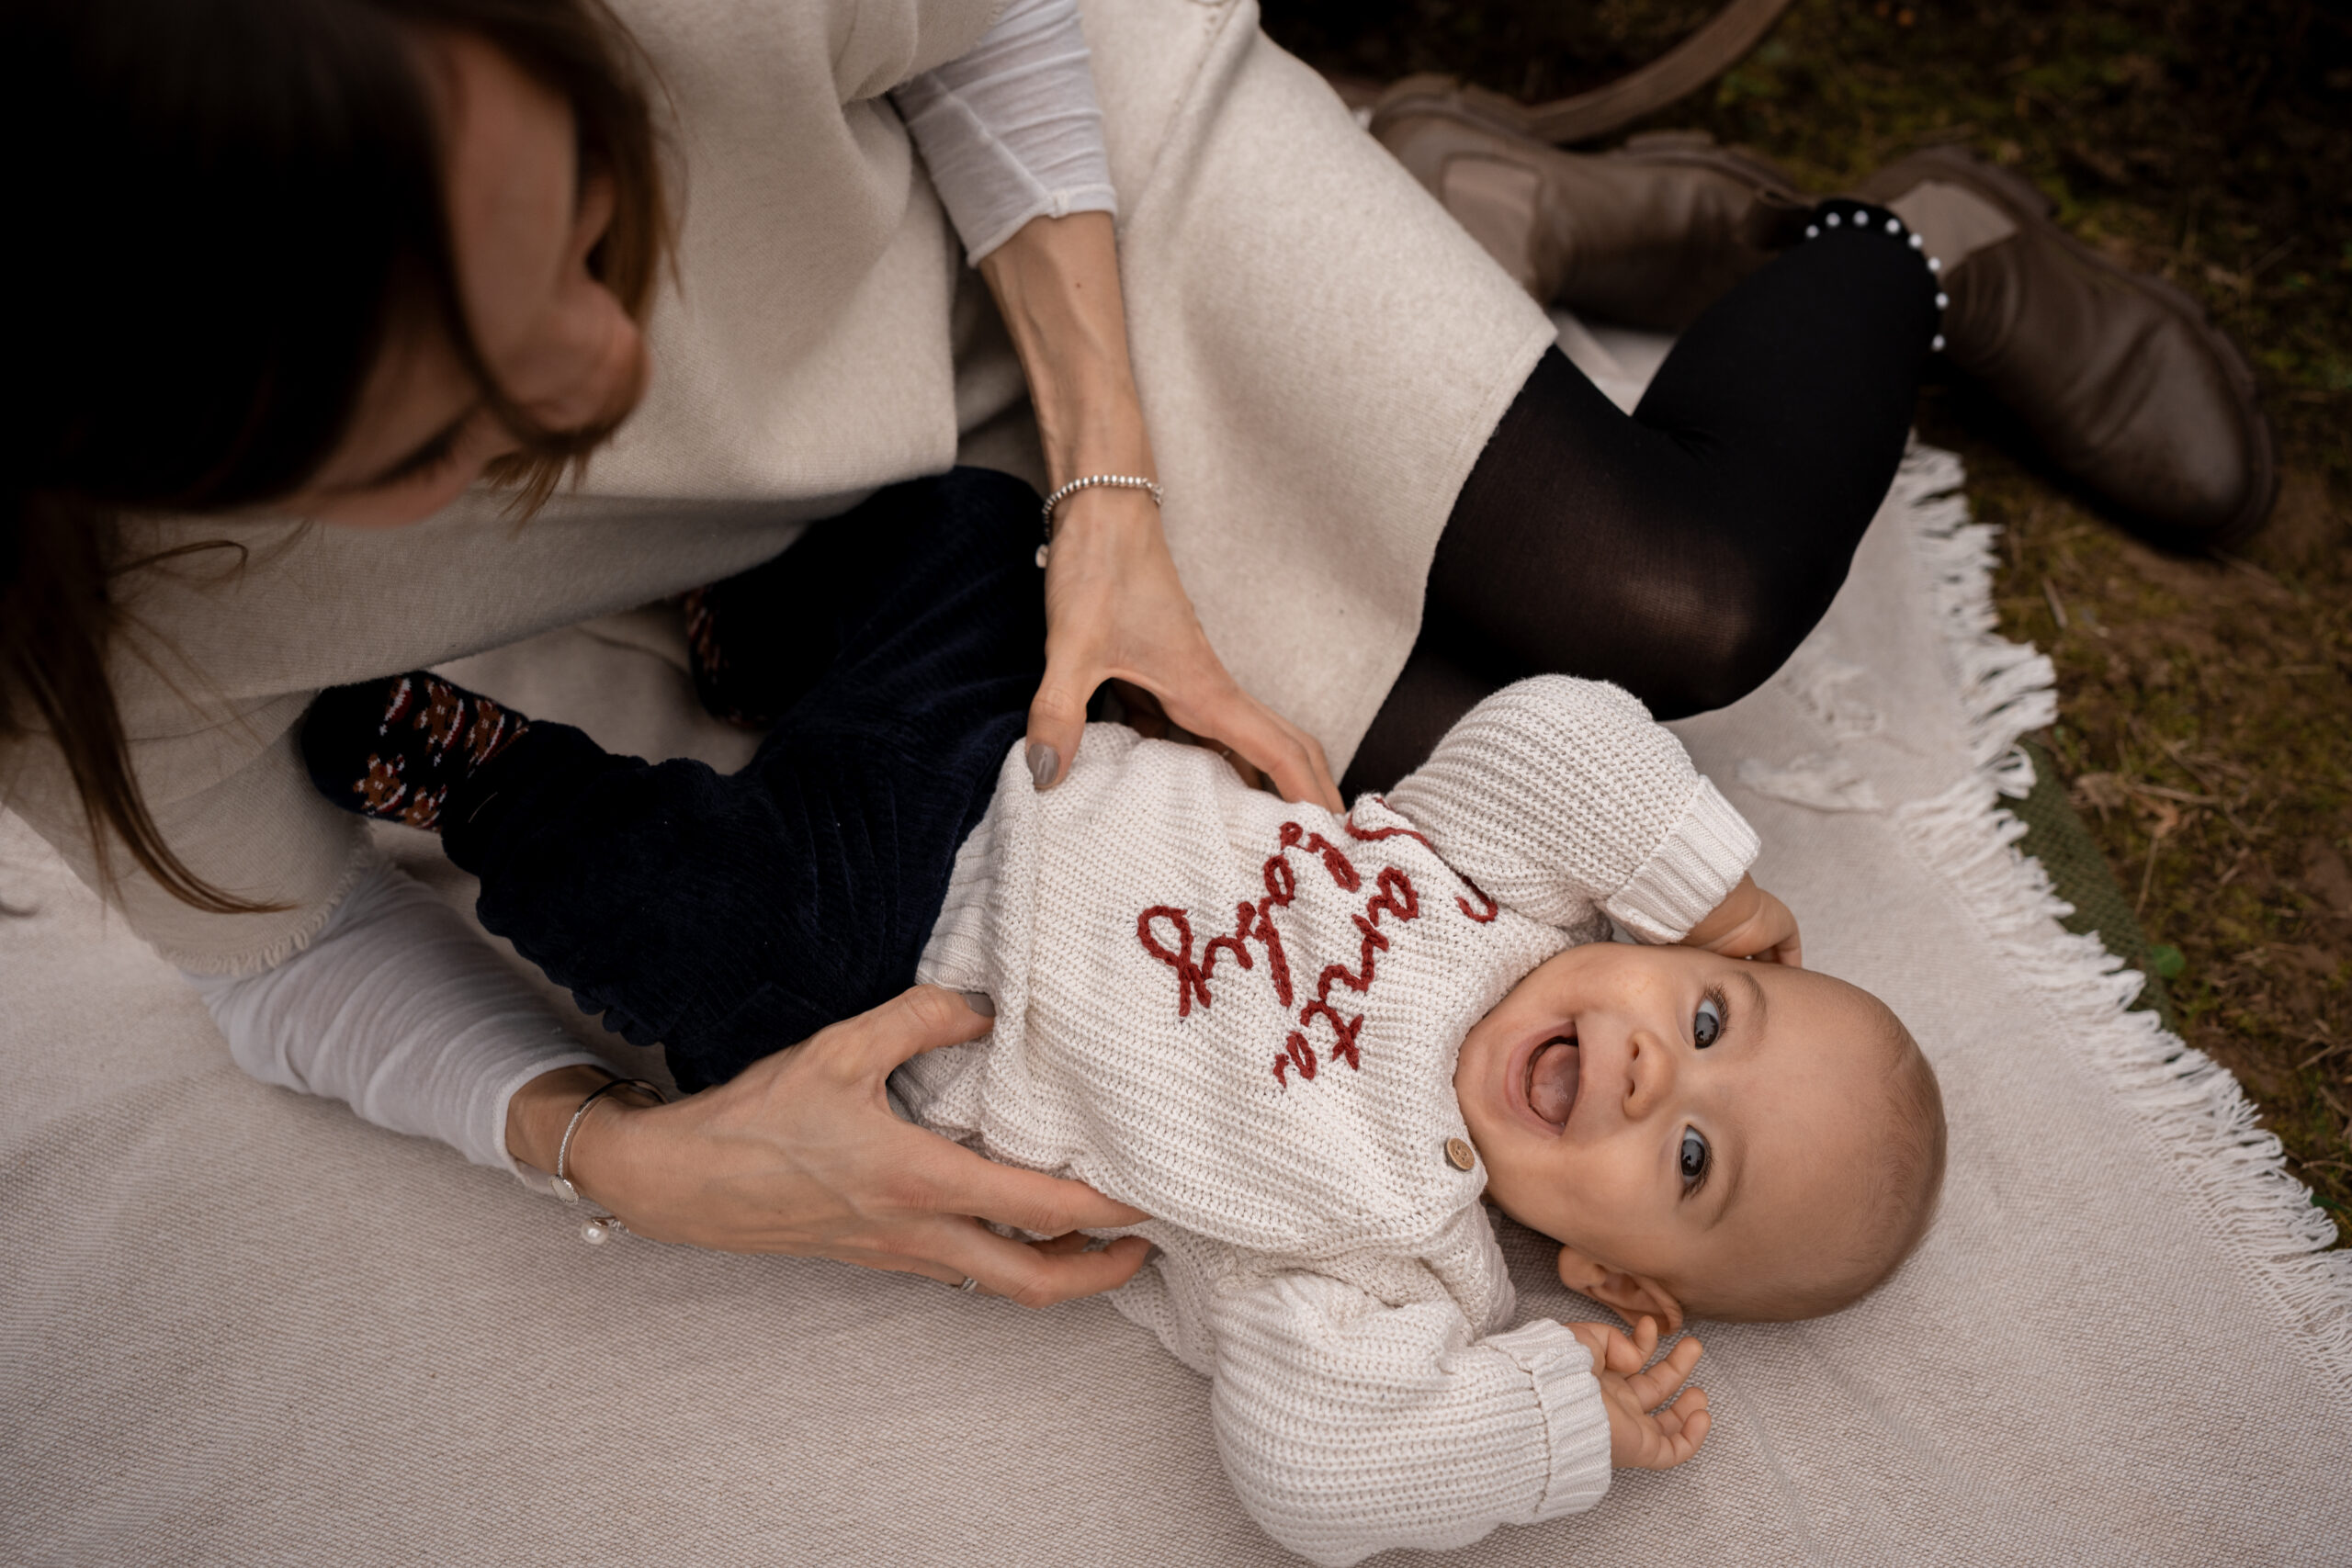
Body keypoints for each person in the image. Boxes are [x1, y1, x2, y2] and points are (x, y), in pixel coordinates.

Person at [0, 0, 2228, 1302]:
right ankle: (1470, 219)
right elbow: (269, 957)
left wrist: (1115, 491)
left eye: (598, 217)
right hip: (931, 652)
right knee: (1542, 695)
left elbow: (988, 27)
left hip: (1037, 254)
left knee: (1674, 606)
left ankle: (1899, 245)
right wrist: (627, 1154)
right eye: (460, 426)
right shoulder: (82, 628)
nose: (618, 363)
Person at [287, 484, 1944, 1562]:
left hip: (877, 983)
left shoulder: (1389, 1257)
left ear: (1609, 1275)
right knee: (981, 537)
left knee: (689, 915)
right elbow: (1560, 725)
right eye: (1714, 1013)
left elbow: (1314, 1472)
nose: (1661, 1067)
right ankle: (766, 642)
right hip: (1008, 751)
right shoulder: (1510, 898)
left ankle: (493, 784)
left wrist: (1543, 1412)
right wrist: (1702, 880)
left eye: (1695, 1154)